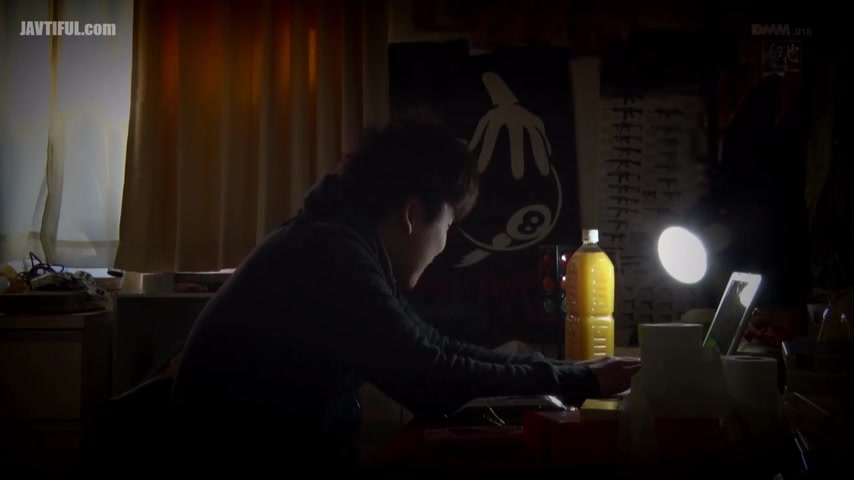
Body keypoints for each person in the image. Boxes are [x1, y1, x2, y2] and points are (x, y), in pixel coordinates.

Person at [168, 114, 640, 468]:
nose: (445, 243)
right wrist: (577, 381)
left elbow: (431, 347)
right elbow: (429, 375)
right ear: (413, 215)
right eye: (448, 225)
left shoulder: (336, 240)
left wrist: (573, 373)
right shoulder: (331, 254)